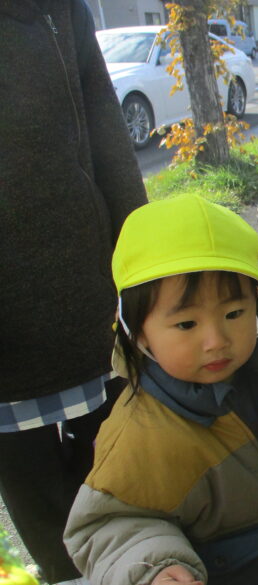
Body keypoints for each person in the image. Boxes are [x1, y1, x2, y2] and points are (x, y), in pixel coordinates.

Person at [63, 195, 258, 585]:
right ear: (138, 332)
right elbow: (104, 528)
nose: (216, 340)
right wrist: (153, 569)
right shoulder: (140, 436)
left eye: (234, 313)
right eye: (187, 324)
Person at [0, 1, 147, 584]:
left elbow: (107, 133)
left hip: (93, 309)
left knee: (124, 500)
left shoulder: (64, 9)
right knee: (49, 537)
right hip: (8, 355)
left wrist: (147, 276)